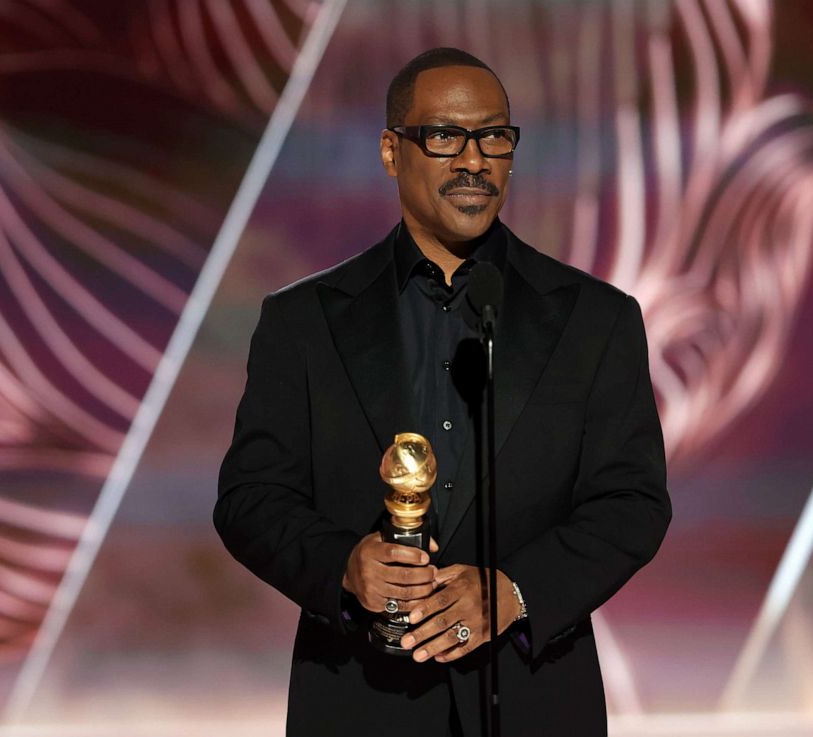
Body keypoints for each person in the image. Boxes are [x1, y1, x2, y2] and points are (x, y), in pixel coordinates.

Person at [215, 47, 670, 736]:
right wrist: (345, 566)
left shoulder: (594, 319)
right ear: (392, 151)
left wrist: (515, 593)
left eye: (494, 136)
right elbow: (250, 497)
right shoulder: (304, 321)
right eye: (444, 136)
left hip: (533, 699)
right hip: (360, 702)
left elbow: (632, 502)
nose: (473, 160)